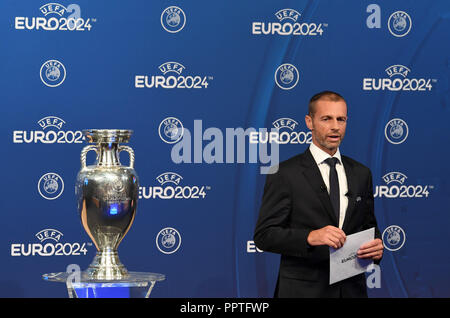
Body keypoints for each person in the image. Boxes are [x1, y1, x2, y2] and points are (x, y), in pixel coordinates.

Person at [254, 91, 384, 298]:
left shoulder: (361, 173)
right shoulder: (284, 173)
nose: (335, 126)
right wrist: (310, 236)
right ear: (309, 121)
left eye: (341, 119)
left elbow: (369, 227)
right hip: (303, 292)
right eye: (326, 119)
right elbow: (264, 236)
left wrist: (376, 247)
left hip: (351, 291)